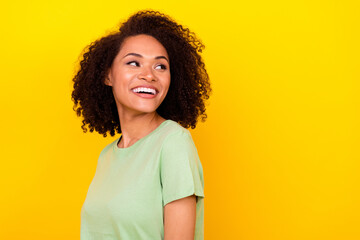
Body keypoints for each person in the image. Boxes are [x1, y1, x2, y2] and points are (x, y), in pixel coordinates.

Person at [71, 10, 211, 240]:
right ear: (108, 76)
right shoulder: (107, 156)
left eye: (160, 66)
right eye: (134, 63)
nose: (149, 75)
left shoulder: (173, 142)